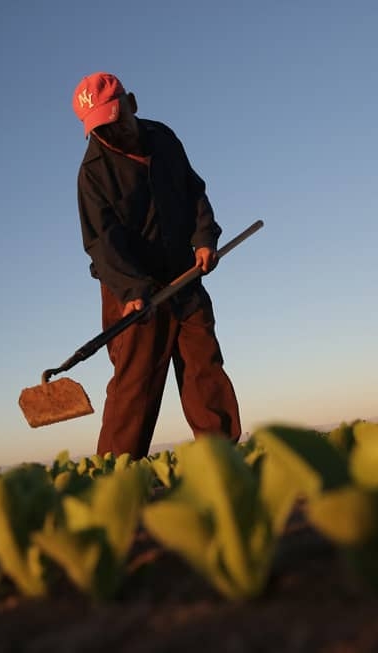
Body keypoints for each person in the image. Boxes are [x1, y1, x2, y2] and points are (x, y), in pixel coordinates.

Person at [71, 71, 242, 458]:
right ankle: (115, 474)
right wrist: (133, 290)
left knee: (204, 368)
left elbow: (192, 189)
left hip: (184, 274)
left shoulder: (163, 139)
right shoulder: (93, 172)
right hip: (130, 290)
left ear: (131, 103)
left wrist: (203, 238)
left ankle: (223, 459)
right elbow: (100, 242)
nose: (111, 135)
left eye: (115, 122)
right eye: (100, 129)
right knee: (136, 382)